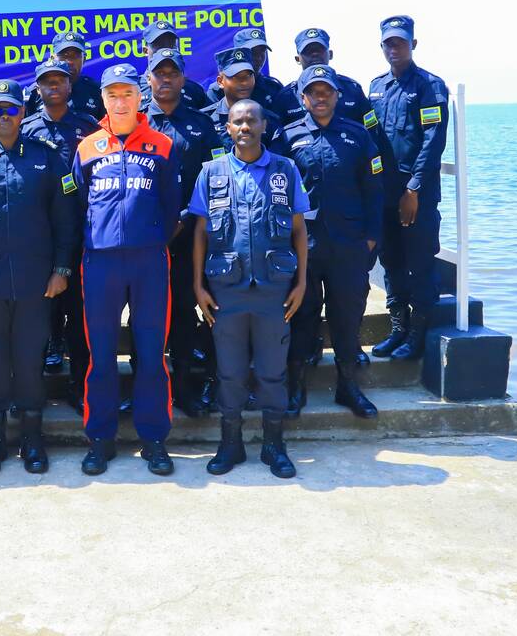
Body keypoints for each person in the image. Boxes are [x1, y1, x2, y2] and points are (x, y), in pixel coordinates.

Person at [0, 80, 78, 475]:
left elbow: (65, 219)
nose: (5, 116)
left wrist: (62, 269)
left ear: (23, 113)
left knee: (28, 362)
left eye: (12, 109)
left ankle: (32, 439)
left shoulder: (45, 157)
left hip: (34, 282)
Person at [190, 99, 308, 479]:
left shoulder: (285, 169)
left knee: (273, 372)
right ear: (228, 128)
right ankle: (231, 444)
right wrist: (198, 286)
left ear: (263, 125)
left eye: (251, 120)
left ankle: (274, 445)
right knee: (230, 372)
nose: (245, 127)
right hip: (227, 292)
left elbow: (299, 229)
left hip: (274, 291)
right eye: (237, 121)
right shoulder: (211, 173)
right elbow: (200, 232)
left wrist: (302, 282)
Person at [73, 63, 180, 477]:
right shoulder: (87, 147)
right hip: (100, 262)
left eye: (128, 94)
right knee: (100, 356)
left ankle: (154, 439)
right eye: (113, 95)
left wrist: (149, 237)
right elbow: (78, 203)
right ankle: (100, 439)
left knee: (151, 354)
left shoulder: (162, 145)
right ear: (103, 99)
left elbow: (171, 206)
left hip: (148, 261)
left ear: (140, 97)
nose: (120, 102)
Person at [275, 66, 383, 419]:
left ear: (337, 95)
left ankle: (348, 387)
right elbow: (275, 191)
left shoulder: (357, 135)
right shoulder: (287, 136)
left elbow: (374, 190)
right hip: (303, 246)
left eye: (327, 91)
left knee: (347, 316)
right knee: (300, 315)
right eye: (313, 92)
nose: (320, 98)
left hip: (348, 245)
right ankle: (296, 388)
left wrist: (371, 238)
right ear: (302, 98)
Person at [140, 48, 225, 417]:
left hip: (192, 237)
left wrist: (190, 219)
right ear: (148, 79)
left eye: (173, 72)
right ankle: (149, 391)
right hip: (145, 239)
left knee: (185, 315)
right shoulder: (136, 122)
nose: (166, 79)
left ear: (183, 78)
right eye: (159, 73)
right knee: (146, 316)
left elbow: (217, 179)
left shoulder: (201, 124)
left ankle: (186, 388)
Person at [368, 15, 449, 361]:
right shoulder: (376, 87)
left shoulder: (430, 86)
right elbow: (370, 136)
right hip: (385, 193)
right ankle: (398, 329)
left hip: (417, 194)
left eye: (400, 42)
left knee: (420, 264)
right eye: (388, 43)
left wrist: (413, 189)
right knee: (391, 262)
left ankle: (418, 337)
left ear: (413, 44)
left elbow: (434, 141)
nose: (394, 48)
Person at [20, 58, 97, 411]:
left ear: (69, 85)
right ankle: (34, 393)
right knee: (37, 319)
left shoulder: (87, 127)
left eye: (59, 80)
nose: (53, 86)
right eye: (46, 81)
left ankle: (80, 389)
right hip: (39, 238)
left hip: (82, 235)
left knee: (81, 320)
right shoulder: (26, 129)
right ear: (38, 89)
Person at [272, 28, 374, 127]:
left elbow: (371, 126)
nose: (314, 54)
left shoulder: (352, 89)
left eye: (319, 50)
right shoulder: (287, 96)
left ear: (330, 54)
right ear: (297, 59)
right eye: (308, 52)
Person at [203, 48, 284, 152]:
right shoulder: (205, 120)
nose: (244, 82)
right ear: (220, 81)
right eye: (236, 77)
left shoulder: (269, 120)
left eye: (248, 76)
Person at [205, 28, 285, 117]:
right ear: (239, 54)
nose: (259, 58)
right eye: (253, 53)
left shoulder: (273, 87)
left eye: (262, 52)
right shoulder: (217, 90)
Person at [26, 31, 105, 119]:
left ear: (84, 60)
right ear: (52, 59)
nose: (70, 61)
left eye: (75, 56)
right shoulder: (36, 92)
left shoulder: (96, 91)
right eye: (64, 55)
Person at [136, 21, 211, 109]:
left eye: (170, 44)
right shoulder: (134, 88)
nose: (165, 50)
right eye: (159, 45)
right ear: (145, 51)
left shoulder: (194, 90)